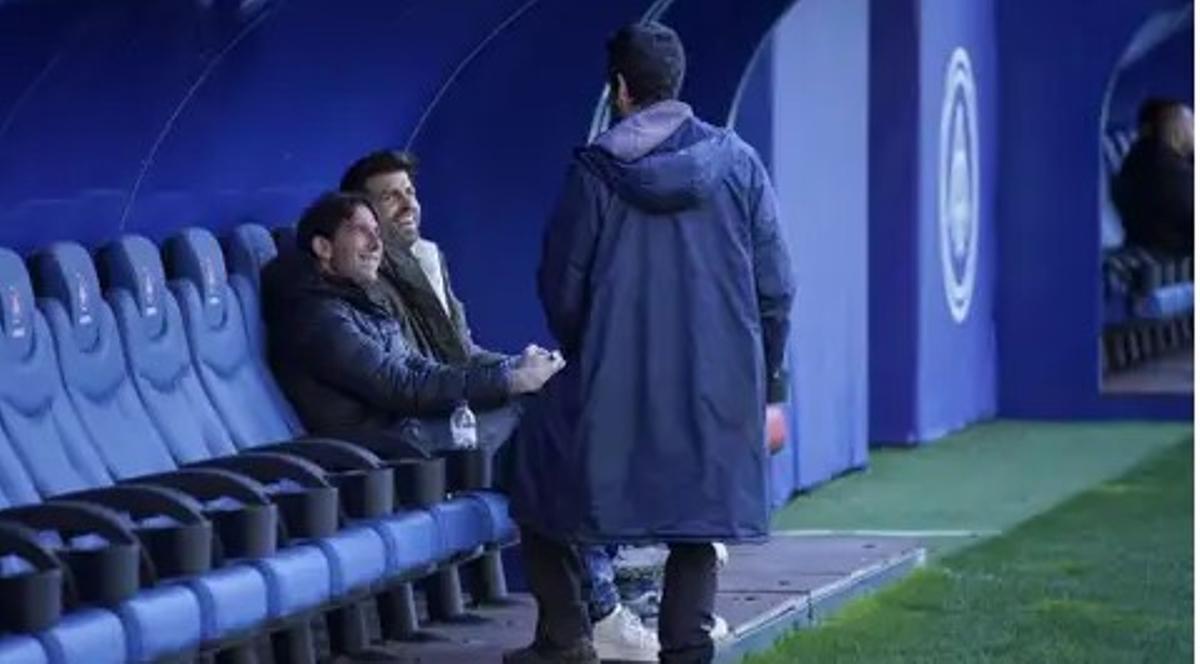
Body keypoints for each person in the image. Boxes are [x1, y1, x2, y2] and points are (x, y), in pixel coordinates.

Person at [504, 21, 794, 664]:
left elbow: (562, 290)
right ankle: (686, 645)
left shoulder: (595, 173)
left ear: (620, 90)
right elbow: (776, 287)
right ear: (676, 85)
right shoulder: (738, 162)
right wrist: (761, 376)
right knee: (696, 522)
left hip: (613, 391)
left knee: (529, 465)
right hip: (717, 391)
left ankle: (566, 634)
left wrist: (600, 354)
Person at [339, 151, 662, 660]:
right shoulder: (370, 282)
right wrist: (512, 380)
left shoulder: (426, 257)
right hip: (426, 429)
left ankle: (599, 602)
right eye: (389, 197)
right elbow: (416, 377)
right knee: (550, 439)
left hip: (459, 409)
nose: (407, 205)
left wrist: (523, 365)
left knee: (565, 405)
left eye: (410, 192)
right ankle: (603, 602)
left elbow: (463, 351)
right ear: (360, 217)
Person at [260, 191, 563, 455]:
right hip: (382, 452)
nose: (376, 243)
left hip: (406, 433)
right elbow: (402, 386)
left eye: (377, 232)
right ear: (324, 248)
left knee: (541, 395)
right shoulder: (317, 317)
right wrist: (511, 382)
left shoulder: (357, 302)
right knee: (526, 405)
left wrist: (512, 368)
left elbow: (424, 368)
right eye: (361, 231)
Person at [1113, 98, 1194, 257]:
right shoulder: (1163, 169)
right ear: (1175, 129)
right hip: (1173, 256)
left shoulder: (1143, 158)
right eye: (1192, 124)